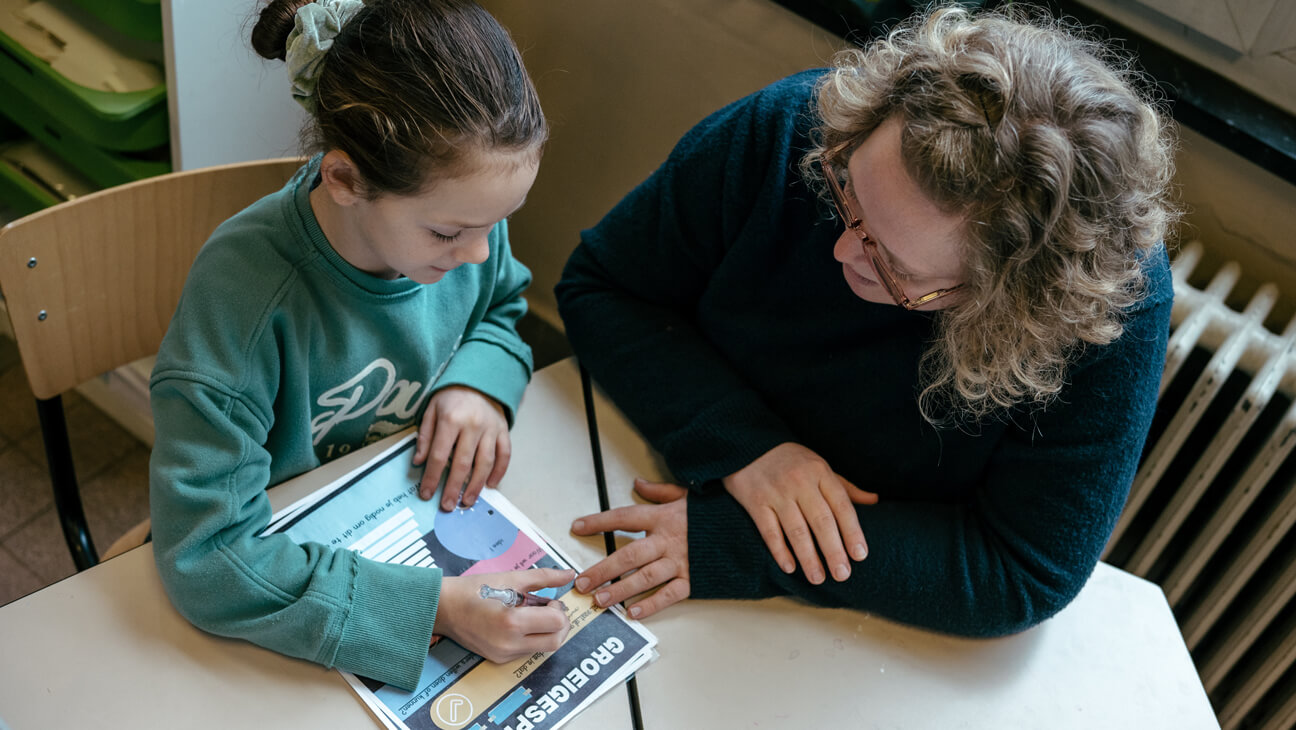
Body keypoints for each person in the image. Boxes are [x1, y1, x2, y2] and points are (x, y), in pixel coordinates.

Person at [557, 3, 1178, 634]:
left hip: (846, 629)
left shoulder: (1108, 306)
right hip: (630, 460)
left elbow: (1023, 568)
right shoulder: (796, 127)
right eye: (846, 190)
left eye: (896, 266)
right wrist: (750, 449)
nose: (842, 249)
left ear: (1004, 303)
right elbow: (602, 286)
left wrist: (747, 543)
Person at [149, 0, 571, 692]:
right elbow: (209, 555)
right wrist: (431, 608)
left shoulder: (466, 224)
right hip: (283, 575)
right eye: (446, 234)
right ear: (344, 181)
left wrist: (479, 382)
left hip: (396, 515)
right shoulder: (243, 300)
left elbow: (500, 305)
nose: (476, 252)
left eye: (498, 223)